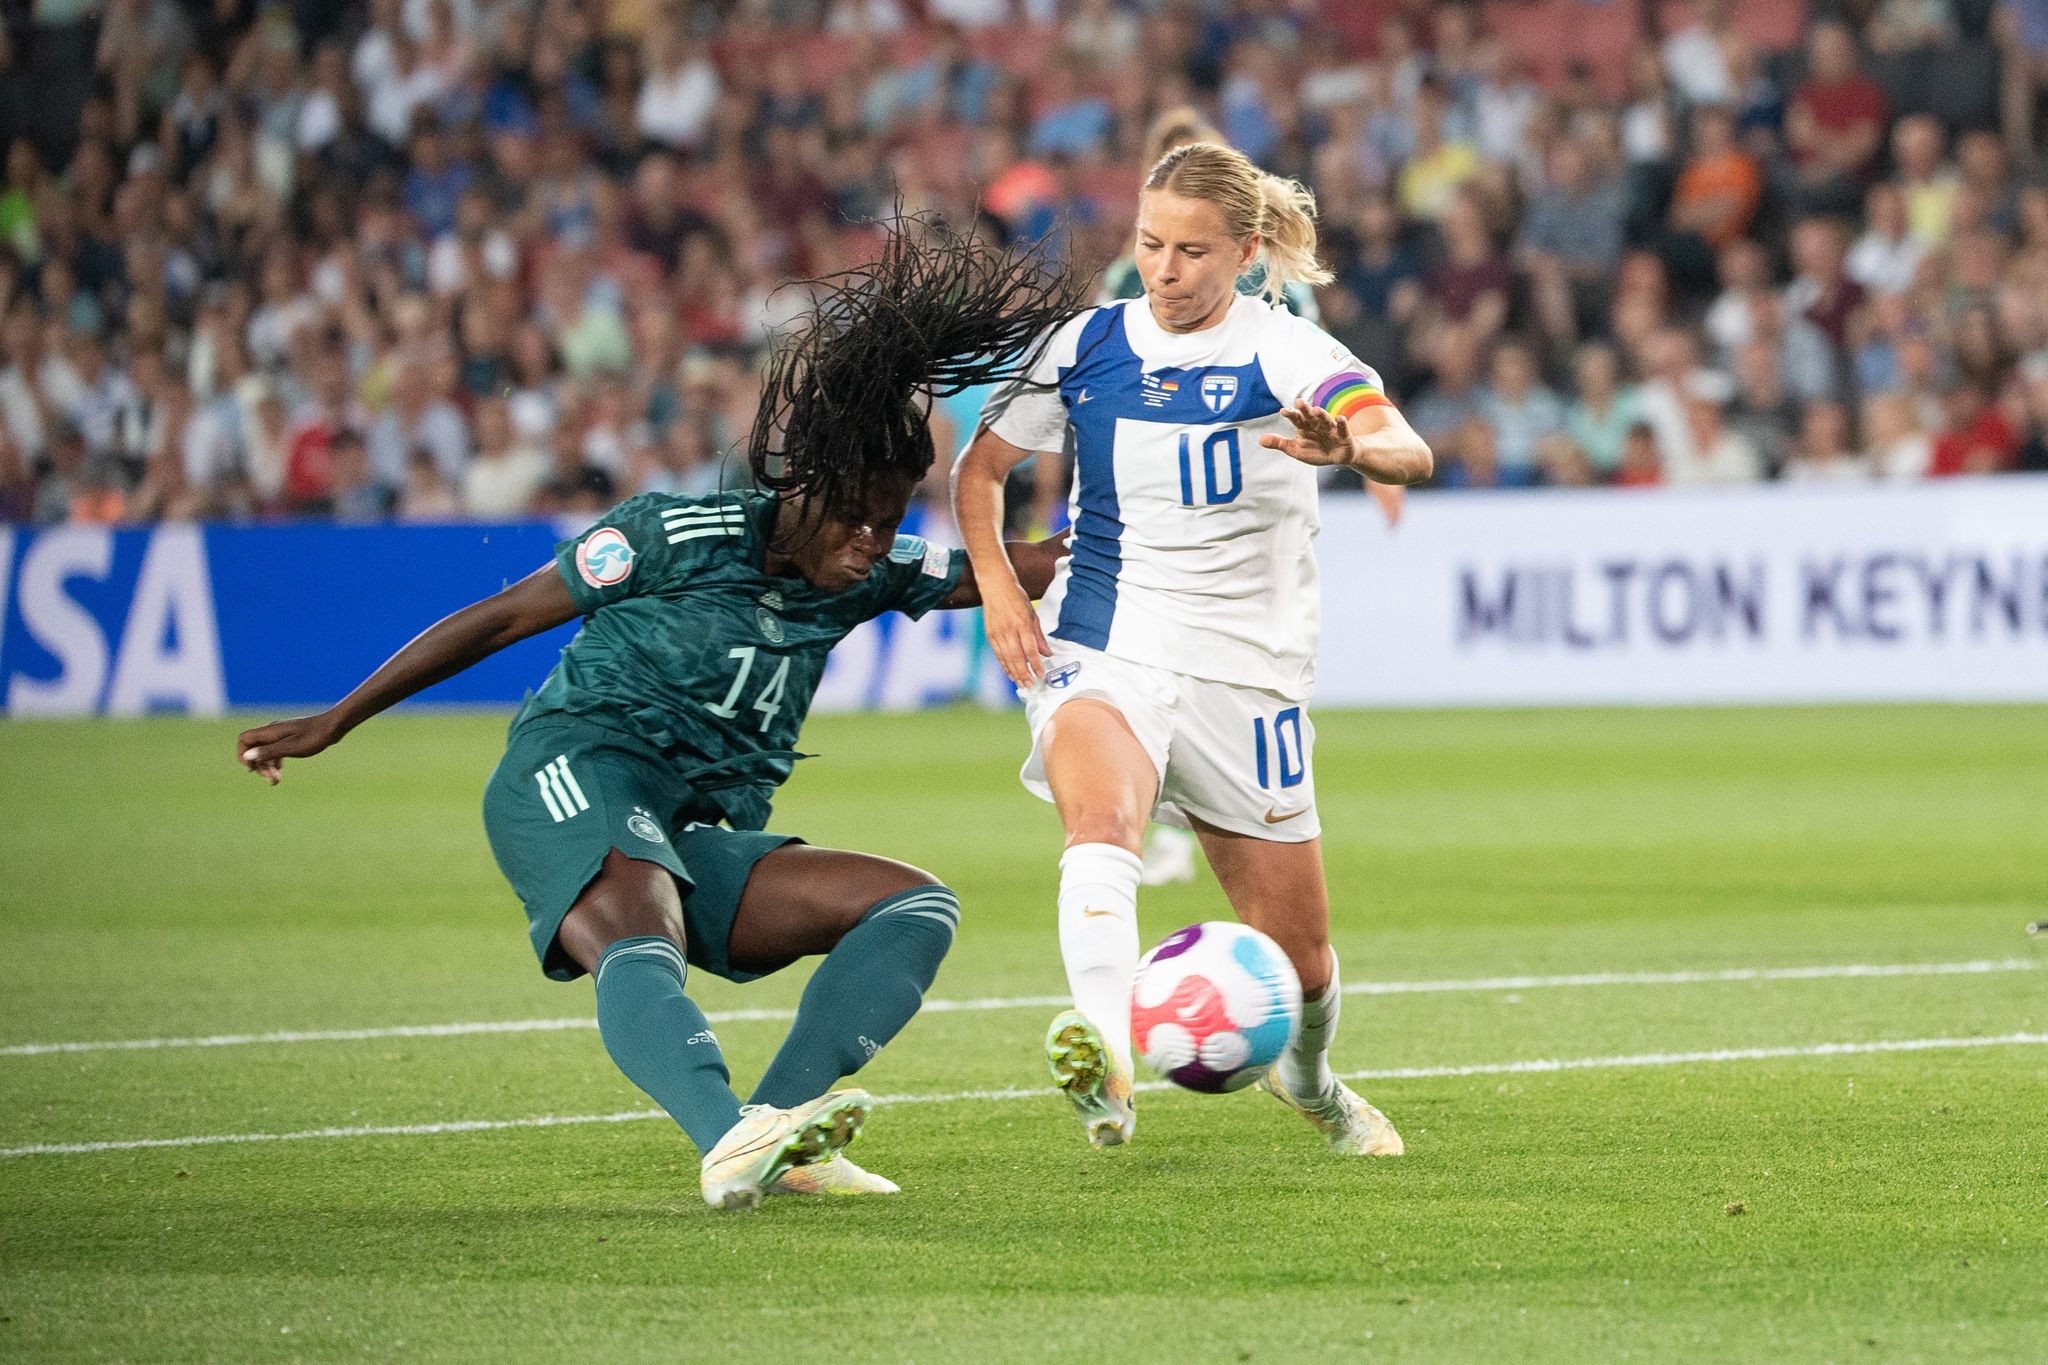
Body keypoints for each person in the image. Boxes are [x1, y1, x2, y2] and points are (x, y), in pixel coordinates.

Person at [235, 222, 1084, 1211]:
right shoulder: (670, 536)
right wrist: (338, 718)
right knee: (640, 921)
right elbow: (503, 616)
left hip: (676, 831)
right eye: (854, 512)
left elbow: (1020, 567)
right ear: (800, 485)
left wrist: (1154, 515)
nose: (870, 540)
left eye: (890, 518)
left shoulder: (867, 576)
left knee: (912, 907)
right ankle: (723, 1138)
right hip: (572, 769)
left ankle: (777, 1135)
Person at [953, 142, 1432, 1156]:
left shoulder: (1283, 349)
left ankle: (1312, 1085)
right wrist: (999, 586)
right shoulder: (1085, 344)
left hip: (1246, 673)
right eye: (1149, 245)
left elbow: (1405, 445)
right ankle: (1105, 1055)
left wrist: (1351, 447)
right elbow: (981, 470)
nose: (1164, 272)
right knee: (1101, 818)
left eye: (1191, 252)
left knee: (1299, 963)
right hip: (1104, 635)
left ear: (1246, 252)